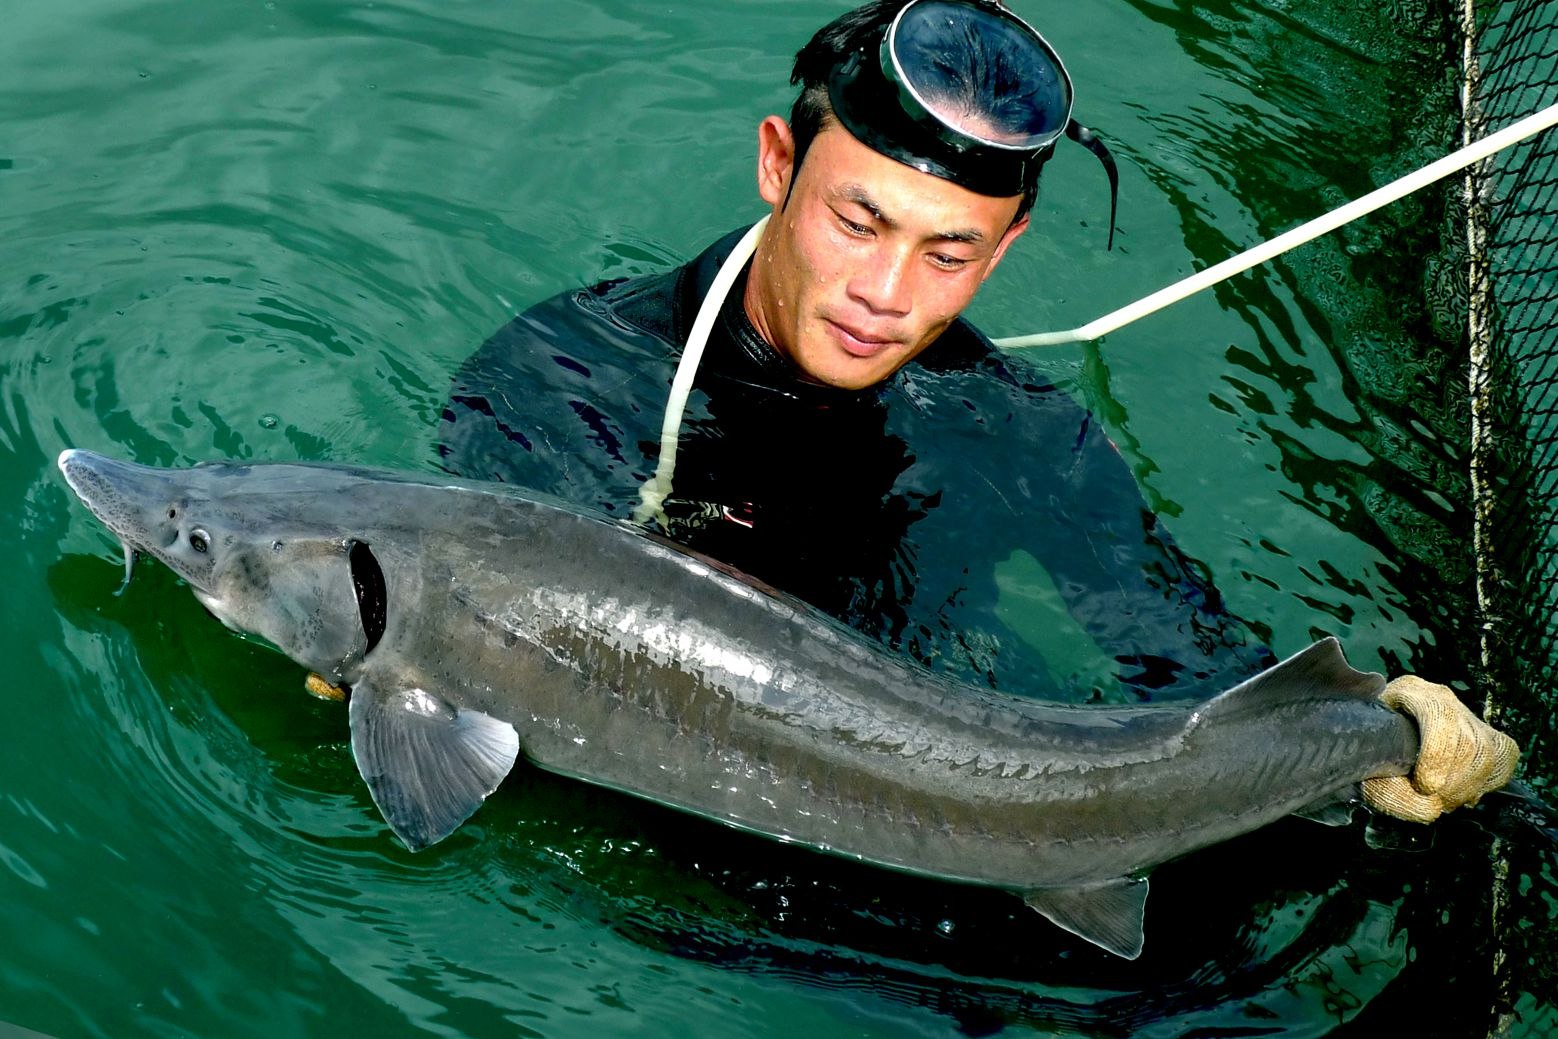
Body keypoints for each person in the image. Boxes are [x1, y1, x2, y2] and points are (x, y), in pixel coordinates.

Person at [439, 0, 1516, 817]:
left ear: (1005, 249)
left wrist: (1373, 730)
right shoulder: (557, 376)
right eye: (858, 223)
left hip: (968, 760)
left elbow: (1186, 661)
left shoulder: (1020, 431)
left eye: (948, 252)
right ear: (778, 164)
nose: (888, 295)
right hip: (680, 814)